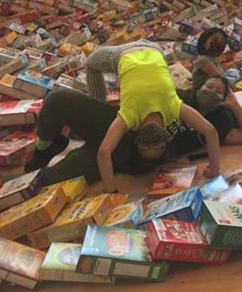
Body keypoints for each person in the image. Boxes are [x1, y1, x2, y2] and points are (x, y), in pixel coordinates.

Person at [80, 42, 222, 193]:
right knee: (90, 64)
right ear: (167, 137)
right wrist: (110, 190)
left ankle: (99, 101)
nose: (150, 143)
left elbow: (210, 131)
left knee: (92, 65)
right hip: (126, 53)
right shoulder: (132, 115)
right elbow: (104, 152)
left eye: (146, 146)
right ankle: (99, 101)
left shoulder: (165, 109)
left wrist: (215, 167)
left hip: (155, 51)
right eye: (156, 145)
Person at [24, 89, 164, 186]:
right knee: (56, 99)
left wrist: (111, 189)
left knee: (45, 181)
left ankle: (26, 181)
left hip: (127, 152)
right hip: (120, 118)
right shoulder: (175, 98)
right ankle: (45, 147)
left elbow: (105, 152)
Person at [177, 28, 242, 145]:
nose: (219, 43)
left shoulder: (214, 61)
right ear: (204, 42)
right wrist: (233, 99)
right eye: (215, 39)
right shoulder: (203, 60)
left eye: (222, 41)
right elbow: (221, 78)